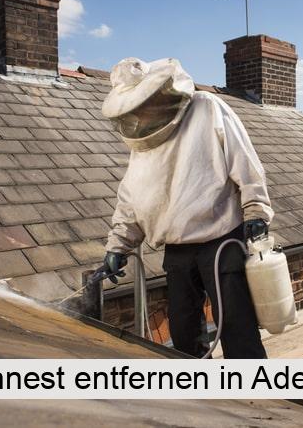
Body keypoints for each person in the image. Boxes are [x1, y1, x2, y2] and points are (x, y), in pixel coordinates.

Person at [96, 57, 273, 359]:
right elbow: (133, 199)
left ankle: (257, 398)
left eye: (145, 104)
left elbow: (244, 160)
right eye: (135, 110)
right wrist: (117, 247)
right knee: (182, 331)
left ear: (163, 93)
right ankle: (198, 396)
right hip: (177, 249)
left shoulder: (207, 107)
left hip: (221, 239)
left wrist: (255, 209)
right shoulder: (143, 143)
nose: (141, 114)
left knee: (236, 327)